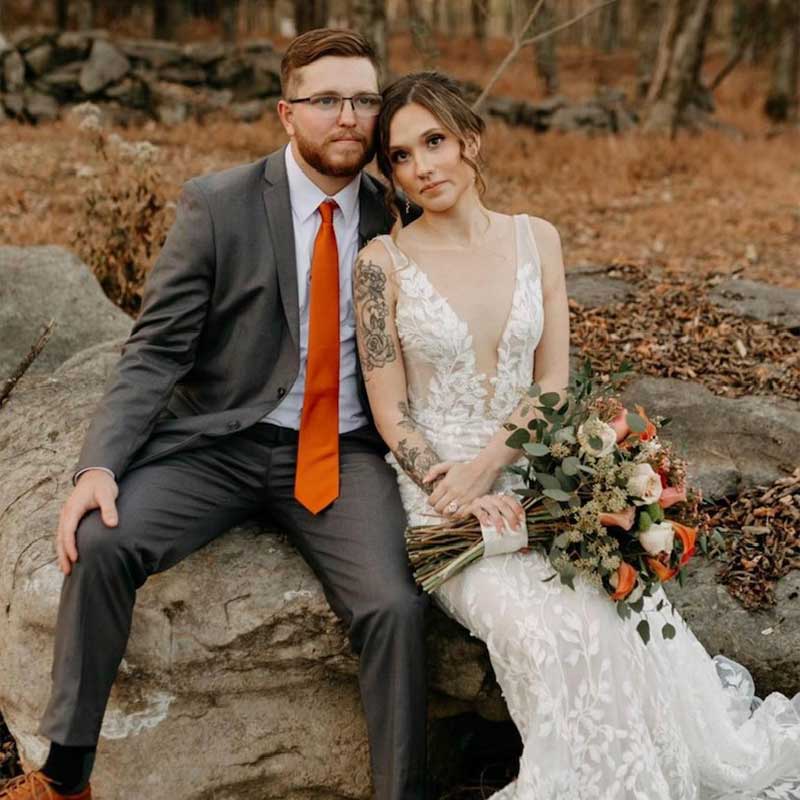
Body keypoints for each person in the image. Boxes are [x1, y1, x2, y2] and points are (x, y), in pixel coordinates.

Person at [0, 30, 428, 800]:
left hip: (345, 450)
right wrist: (97, 467)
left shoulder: (396, 211)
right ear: (284, 112)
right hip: (220, 442)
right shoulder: (220, 203)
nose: (349, 117)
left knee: (395, 607)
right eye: (326, 100)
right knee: (100, 543)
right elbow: (156, 351)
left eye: (364, 99)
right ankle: (63, 777)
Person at [354, 70, 800, 799]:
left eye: (433, 141)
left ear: (470, 139)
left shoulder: (538, 240)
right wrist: (454, 485)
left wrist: (499, 462)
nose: (422, 166)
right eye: (400, 156)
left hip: (535, 475)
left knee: (619, 607)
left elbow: (552, 384)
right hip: (440, 494)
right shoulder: (381, 266)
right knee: (543, 632)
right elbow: (391, 412)